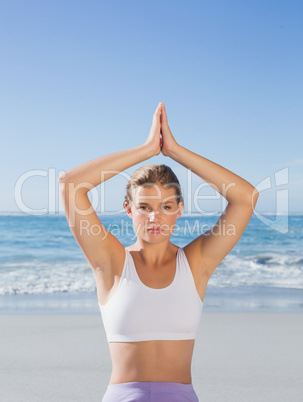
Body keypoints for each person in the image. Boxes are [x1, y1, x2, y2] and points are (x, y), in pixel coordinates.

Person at [58, 102, 259, 401]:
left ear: (179, 210)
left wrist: (175, 151)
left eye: (166, 206)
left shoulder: (195, 263)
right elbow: (71, 185)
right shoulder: (112, 262)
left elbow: (246, 198)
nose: (155, 217)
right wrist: (148, 149)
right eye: (144, 207)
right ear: (129, 209)